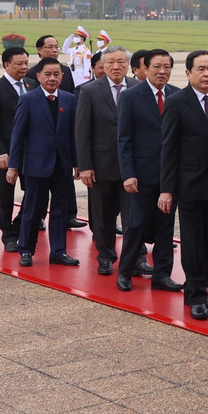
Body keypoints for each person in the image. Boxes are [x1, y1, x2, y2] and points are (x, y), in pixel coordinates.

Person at [159, 49, 208, 319]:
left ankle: (197, 289)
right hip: (190, 185)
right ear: (188, 73)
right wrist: (167, 189)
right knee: (193, 242)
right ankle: (196, 295)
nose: (207, 74)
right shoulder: (177, 102)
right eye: (201, 69)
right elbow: (169, 148)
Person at [116, 50, 183, 293]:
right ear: (145, 68)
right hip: (141, 175)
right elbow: (123, 139)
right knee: (136, 225)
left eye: (167, 67)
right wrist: (128, 173)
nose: (162, 71)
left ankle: (162, 275)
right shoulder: (131, 96)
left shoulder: (177, 95)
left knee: (166, 228)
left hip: (170, 176)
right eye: (156, 66)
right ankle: (125, 271)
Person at [7, 57, 79, 267]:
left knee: (60, 211)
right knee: (33, 209)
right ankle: (26, 250)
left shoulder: (68, 99)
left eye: (56, 74)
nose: (52, 78)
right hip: (36, 165)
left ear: (62, 76)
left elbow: (72, 134)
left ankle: (58, 251)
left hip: (62, 165)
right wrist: (14, 166)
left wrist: (76, 162)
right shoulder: (28, 100)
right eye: (47, 74)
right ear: (38, 76)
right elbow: (18, 135)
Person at [75, 44, 131, 274]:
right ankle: (105, 255)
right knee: (103, 216)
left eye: (120, 62)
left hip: (131, 166)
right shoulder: (89, 91)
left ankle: (134, 257)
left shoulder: (137, 88)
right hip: (101, 165)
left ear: (128, 65)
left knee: (133, 216)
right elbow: (82, 131)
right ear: (103, 66)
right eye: (110, 62)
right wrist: (85, 166)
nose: (116, 66)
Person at [0, 47, 36, 251]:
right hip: (7, 152)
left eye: (26, 63)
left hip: (31, 151)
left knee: (33, 191)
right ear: (6, 65)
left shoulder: (31, 84)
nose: (24, 67)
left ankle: (21, 223)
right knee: (6, 193)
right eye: (19, 64)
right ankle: (8, 234)